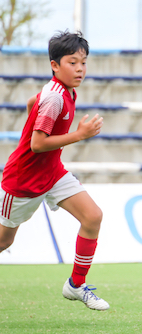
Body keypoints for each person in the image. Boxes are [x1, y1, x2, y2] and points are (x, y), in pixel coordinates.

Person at [0, 30, 108, 310]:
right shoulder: (54, 98)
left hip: (52, 173)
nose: (80, 69)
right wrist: (80, 135)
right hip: (24, 180)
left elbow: (30, 103)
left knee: (93, 216)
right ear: (54, 65)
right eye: (73, 62)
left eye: (83, 63)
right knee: (4, 240)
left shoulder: (63, 91)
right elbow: (37, 144)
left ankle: (76, 284)